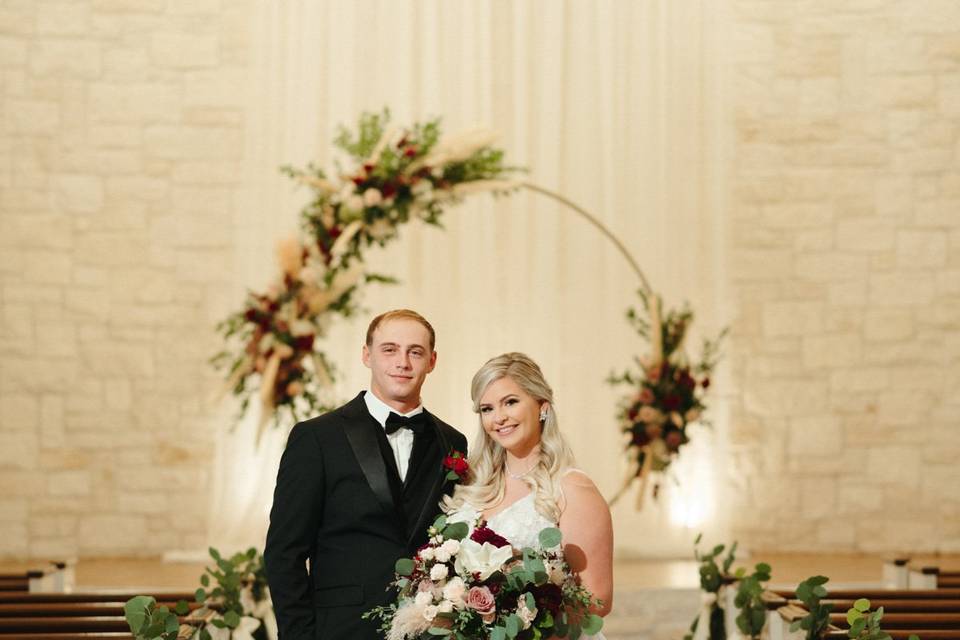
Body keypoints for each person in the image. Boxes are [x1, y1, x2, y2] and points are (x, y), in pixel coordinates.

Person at [264, 309, 468, 640]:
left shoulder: (453, 442)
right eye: (389, 349)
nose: (402, 362)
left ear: (432, 361)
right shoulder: (317, 438)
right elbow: (283, 554)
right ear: (366, 355)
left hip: (430, 630)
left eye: (414, 352)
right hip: (341, 630)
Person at [442, 352, 613, 636]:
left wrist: (522, 627)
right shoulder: (473, 483)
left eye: (510, 402)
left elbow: (598, 600)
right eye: (487, 409)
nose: (499, 418)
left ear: (542, 406)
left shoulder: (572, 490)